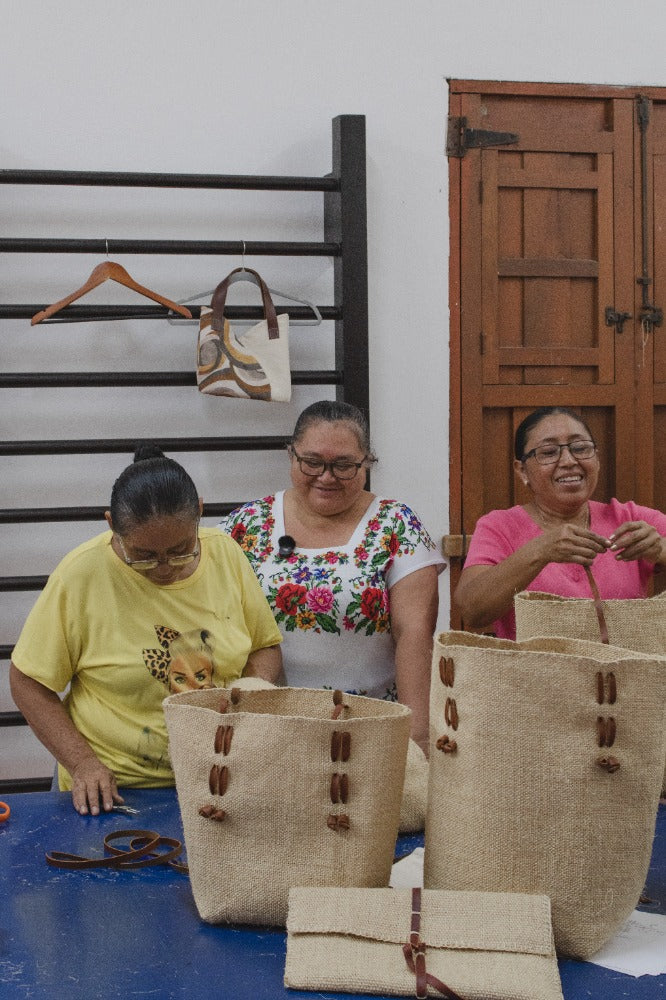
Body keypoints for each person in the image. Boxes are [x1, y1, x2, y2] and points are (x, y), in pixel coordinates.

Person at [10, 445, 282, 816]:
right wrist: (83, 764)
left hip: (219, 778)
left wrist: (249, 697)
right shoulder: (81, 574)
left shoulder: (226, 555)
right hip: (117, 793)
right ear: (111, 526)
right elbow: (28, 681)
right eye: (143, 555)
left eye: (182, 549)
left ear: (200, 512)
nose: (164, 567)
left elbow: (264, 646)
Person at [219, 400, 446, 753]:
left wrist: (416, 737)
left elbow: (414, 632)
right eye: (312, 462)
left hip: (370, 727)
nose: (326, 477)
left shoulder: (397, 524)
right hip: (267, 731)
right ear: (291, 456)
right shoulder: (246, 524)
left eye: (343, 465)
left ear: (366, 463)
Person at [455, 406, 666, 639]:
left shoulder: (629, 518)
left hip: (628, 672)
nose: (568, 461)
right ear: (522, 470)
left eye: (580, 448)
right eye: (548, 452)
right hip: (540, 673)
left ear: (596, 459)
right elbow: (472, 610)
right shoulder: (499, 527)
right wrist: (541, 550)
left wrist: (660, 550)